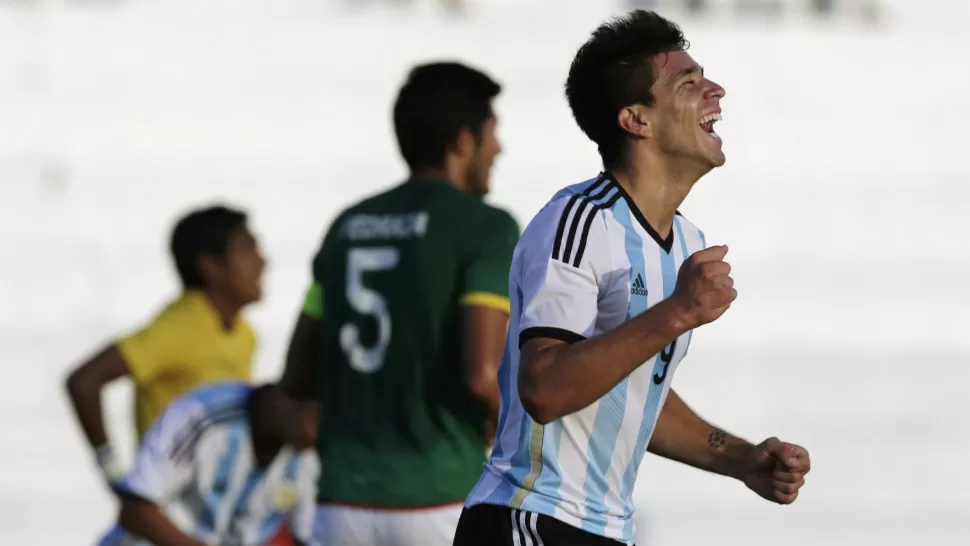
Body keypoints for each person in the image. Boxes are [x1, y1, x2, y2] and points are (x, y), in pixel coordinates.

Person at [454, 10, 811, 546]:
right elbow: (545, 388)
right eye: (689, 83)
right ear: (636, 120)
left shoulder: (686, 242)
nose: (716, 91)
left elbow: (631, 395)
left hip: (604, 529)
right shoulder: (578, 220)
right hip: (531, 518)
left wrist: (741, 459)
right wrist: (679, 311)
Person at [280, 61, 518, 546]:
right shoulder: (486, 227)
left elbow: (296, 377)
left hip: (340, 504)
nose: (500, 149)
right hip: (439, 497)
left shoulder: (347, 226)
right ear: (462, 141)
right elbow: (481, 372)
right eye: (492, 133)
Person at [64, 204, 265, 486]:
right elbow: (84, 381)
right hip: (167, 508)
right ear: (210, 267)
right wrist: (112, 472)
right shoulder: (180, 327)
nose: (262, 262)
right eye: (248, 250)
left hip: (210, 510)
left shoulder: (245, 334)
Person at [95, 382, 320, 546]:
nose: (319, 432)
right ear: (285, 399)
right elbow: (135, 511)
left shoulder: (311, 453)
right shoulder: (204, 414)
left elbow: (306, 535)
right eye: (317, 416)